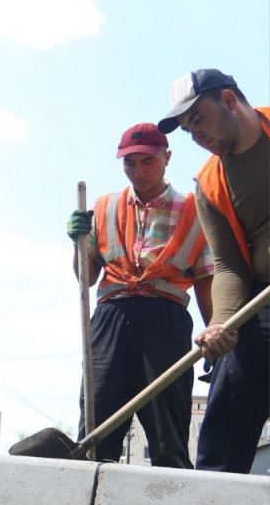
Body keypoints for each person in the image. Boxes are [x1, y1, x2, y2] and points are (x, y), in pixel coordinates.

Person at [66, 122, 213, 467]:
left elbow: (206, 280)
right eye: (130, 163)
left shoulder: (194, 210)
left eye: (148, 161)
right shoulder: (104, 207)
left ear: (167, 158)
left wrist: (215, 330)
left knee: (168, 437)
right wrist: (78, 243)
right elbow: (87, 279)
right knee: (96, 433)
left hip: (165, 321)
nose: (139, 172)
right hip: (110, 319)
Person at [157, 68, 269, 474]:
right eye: (188, 130)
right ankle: (214, 491)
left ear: (228, 100)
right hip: (264, 297)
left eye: (198, 119)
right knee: (231, 393)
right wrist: (223, 322)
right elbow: (228, 265)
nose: (196, 135)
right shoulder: (209, 185)